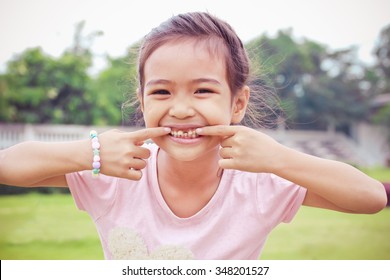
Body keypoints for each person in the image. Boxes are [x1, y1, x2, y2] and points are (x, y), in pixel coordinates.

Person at [0, 12, 387, 260]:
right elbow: (7, 167)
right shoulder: (118, 170)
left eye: (203, 90)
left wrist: (279, 158)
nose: (181, 109)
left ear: (237, 104)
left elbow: (369, 199)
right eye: (161, 92)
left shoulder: (260, 182)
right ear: (142, 101)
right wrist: (92, 151)